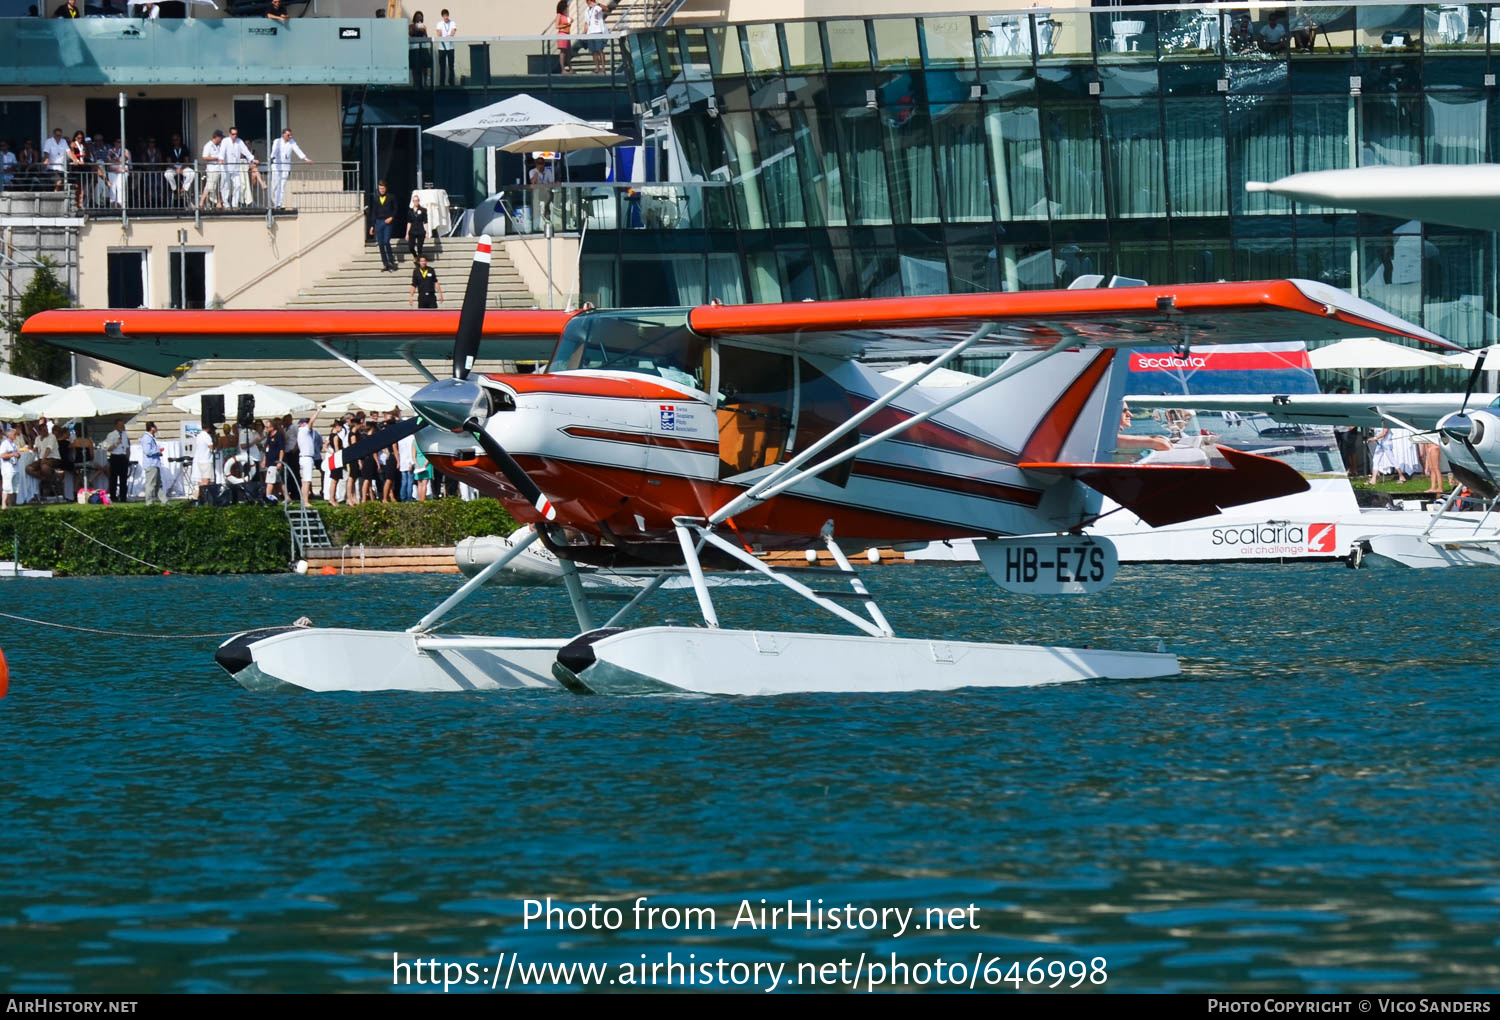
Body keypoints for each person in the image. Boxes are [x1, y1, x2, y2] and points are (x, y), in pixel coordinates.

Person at [268, 127, 311, 210]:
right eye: (288, 135)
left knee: (282, 186)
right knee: (275, 186)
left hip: (285, 167)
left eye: (291, 135)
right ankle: (274, 202)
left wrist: (305, 158)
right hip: (276, 166)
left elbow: (297, 150)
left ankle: (278, 204)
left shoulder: (292, 142)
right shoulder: (277, 141)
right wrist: (272, 157)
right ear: (283, 134)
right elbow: (274, 151)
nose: (290, 137)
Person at [219, 126, 256, 208]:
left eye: (236, 134)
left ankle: (235, 204)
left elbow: (245, 151)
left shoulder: (239, 142)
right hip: (226, 168)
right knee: (226, 186)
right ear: (229, 134)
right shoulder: (225, 141)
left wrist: (252, 159)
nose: (234, 136)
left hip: (235, 168)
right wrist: (221, 159)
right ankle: (226, 204)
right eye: (232, 134)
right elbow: (222, 151)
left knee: (238, 185)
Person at [370, 179, 399, 271]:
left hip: (388, 222)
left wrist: (391, 217)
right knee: (381, 243)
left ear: (386, 188)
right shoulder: (375, 198)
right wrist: (372, 225)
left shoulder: (391, 197)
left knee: (386, 241)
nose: (381, 190)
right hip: (378, 222)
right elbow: (374, 212)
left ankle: (391, 261)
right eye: (380, 188)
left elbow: (396, 209)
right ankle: (385, 264)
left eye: (383, 188)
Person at [295, 410, 320, 507]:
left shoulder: (302, 432)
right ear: (302, 424)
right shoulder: (304, 430)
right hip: (306, 458)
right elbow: (312, 422)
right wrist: (318, 411)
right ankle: (305, 501)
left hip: (306, 457)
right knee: (307, 480)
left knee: (306, 480)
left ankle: (304, 500)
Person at [102, 418, 131, 502]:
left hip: (123, 457)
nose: (122, 427)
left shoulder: (125, 435)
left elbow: (128, 447)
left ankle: (123, 497)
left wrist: (127, 457)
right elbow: (108, 448)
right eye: (120, 425)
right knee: (113, 478)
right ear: (116, 426)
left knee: (123, 479)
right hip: (115, 457)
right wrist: (116, 443)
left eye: (123, 425)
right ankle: (113, 496)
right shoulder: (111, 435)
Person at [140, 421, 167, 504]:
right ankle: (149, 502)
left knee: (158, 484)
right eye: (155, 427)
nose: (156, 428)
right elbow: (147, 451)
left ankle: (164, 501)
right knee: (151, 484)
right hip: (151, 464)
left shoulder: (151, 438)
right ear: (152, 428)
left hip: (155, 464)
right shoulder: (146, 438)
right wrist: (157, 451)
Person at [164, 133, 196, 205]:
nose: (175, 141)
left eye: (177, 140)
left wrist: (181, 168)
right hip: (173, 167)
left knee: (192, 173)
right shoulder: (169, 148)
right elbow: (169, 162)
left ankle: (183, 190)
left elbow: (187, 161)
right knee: (167, 174)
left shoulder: (184, 148)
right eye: (174, 140)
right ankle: (174, 189)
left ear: (179, 140)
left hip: (183, 166)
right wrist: (176, 169)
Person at [200, 129, 225, 210]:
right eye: (220, 138)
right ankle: (201, 203)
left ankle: (219, 203)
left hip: (220, 169)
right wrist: (216, 158)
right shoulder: (208, 145)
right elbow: (205, 157)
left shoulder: (219, 145)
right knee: (209, 186)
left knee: (220, 187)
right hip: (212, 169)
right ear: (217, 137)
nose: (221, 139)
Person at [583, 0, 608, 73]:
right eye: (588, 1)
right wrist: (584, 34)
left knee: (600, 50)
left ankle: (603, 68)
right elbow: (586, 22)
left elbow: (606, 9)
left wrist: (598, 4)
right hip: (590, 32)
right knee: (593, 51)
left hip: (598, 31)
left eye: (590, 1)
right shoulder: (586, 10)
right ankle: (597, 67)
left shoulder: (597, 7)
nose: (589, 3)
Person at [192, 424, 215, 503]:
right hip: (206, 460)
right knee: (206, 480)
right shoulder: (206, 436)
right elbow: (211, 447)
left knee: (202, 480)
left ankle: (199, 497)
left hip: (200, 460)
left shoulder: (199, 435)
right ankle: (196, 497)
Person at [435, 8, 458, 85]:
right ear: (442, 16)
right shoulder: (439, 24)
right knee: (442, 66)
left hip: (451, 47)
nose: (446, 17)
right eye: (444, 15)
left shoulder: (452, 23)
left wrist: (450, 35)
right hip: (442, 48)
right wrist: (442, 35)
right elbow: (438, 33)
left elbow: (453, 31)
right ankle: (442, 83)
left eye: (447, 15)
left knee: (451, 65)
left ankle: (451, 82)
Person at [42, 128, 68, 193]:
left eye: (59, 135)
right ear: (53, 134)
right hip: (52, 168)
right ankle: (55, 194)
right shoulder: (49, 141)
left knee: (63, 184)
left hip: (62, 168)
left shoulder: (63, 141)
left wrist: (75, 159)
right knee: (59, 181)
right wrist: (47, 159)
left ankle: (56, 195)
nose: (58, 137)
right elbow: (46, 152)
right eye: (57, 135)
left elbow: (68, 151)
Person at [408, 10, 430, 88]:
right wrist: (417, 28)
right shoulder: (411, 26)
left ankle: (425, 82)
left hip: (422, 47)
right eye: (418, 16)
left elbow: (426, 37)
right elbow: (410, 33)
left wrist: (424, 30)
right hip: (414, 47)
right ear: (415, 17)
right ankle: (415, 82)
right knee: (414, 66)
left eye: (420, 16)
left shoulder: (423, 26)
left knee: (424, 65)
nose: (419, 17)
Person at [405, 193, 429, 260]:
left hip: (420, 230)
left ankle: (419, 260)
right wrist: (407, 233)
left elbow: (425, 221)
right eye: (414, 201)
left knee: (419, 247)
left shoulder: (423, 210)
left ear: (419, 201)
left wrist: (427, 231)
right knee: (411, 247)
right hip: (412, 231)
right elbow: (409, 222)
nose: (416, 202)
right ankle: (415, 256)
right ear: (413, 202)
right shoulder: (410, 211)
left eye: (417, 200)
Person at [553, 1, 573, 73]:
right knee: (563, 52)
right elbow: (557, 26)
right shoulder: (559, 15)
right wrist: (565, 25)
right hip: (562, 34)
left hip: (567, 34)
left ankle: (570, 68)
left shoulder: (566, 16)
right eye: (566, 8)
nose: (567, 9)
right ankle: (563, 69)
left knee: (568, 52)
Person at [0, 427, 17, 509]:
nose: (16, 436)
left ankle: (10, 504)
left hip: (14, 467)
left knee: (12, 486)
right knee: (6, 486)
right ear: (9, 435)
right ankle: (4, 503)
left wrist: (18, 455)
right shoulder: (4, 444)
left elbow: (17, 453)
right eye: (14, 434)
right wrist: (12, 454)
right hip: (7, 467)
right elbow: (2, 455)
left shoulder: (14, 444)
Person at [398, 431, 416, 501]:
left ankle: (403, 498)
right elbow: (411, 451)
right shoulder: (412, 438)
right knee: (409, 482)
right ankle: (409, 498)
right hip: (409, 462)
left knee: (404, 481)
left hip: (403, 462)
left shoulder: (400, 438)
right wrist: (411, 463)